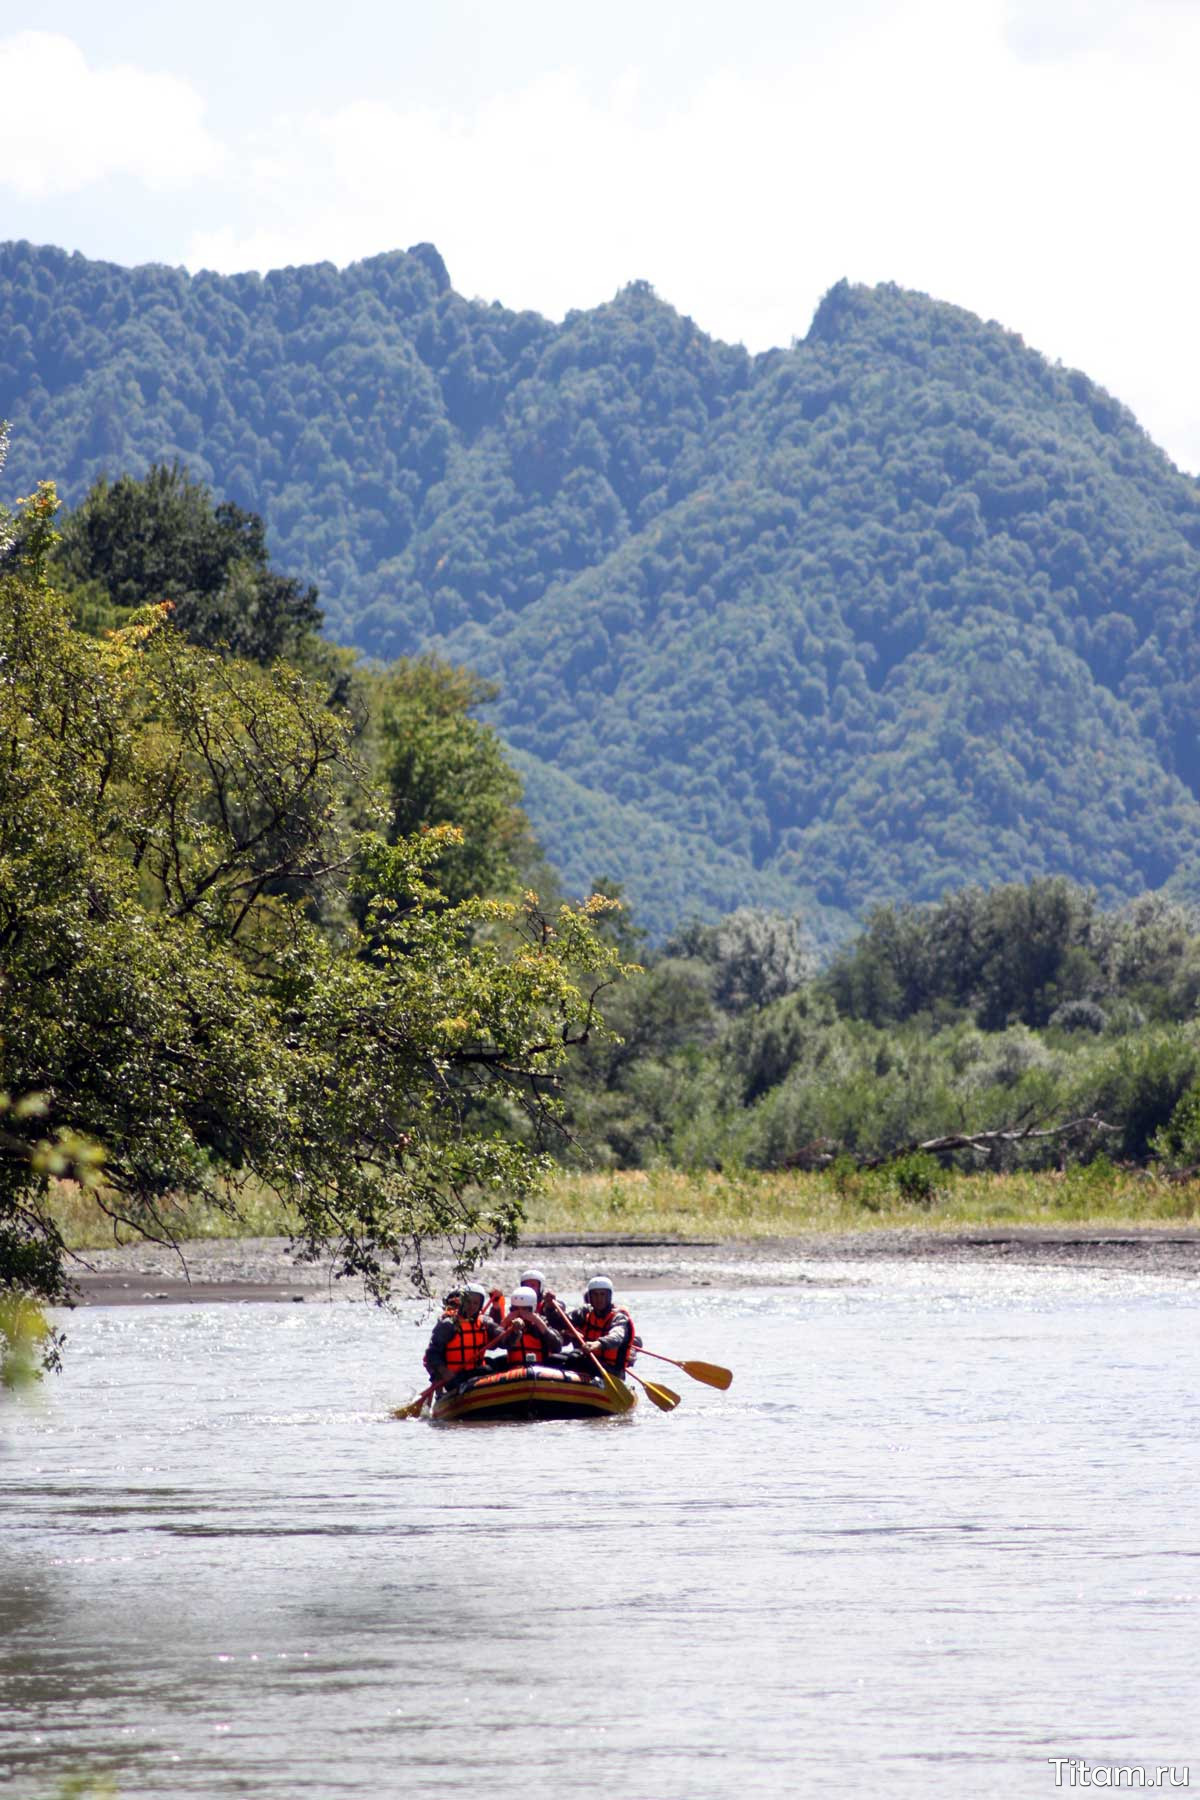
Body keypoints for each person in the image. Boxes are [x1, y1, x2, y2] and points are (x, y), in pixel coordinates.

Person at [423, 1283, 500, 1387]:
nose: (471, 1306)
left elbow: (501, 1341)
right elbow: (431, 1354)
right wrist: (443, 1371)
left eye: (475, 1303)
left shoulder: (484, 1323)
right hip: (454, 1377)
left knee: (491, 1367)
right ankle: (440, 1393)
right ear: (461, 1302)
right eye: (468, 1302)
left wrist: (516, 1331)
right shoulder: (448, 1324)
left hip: (475, 1372)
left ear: (480, 1305)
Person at [558, 1275, 636, 1376]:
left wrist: (598, 1344)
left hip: (612, 1370)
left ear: (609, 1296)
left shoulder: (619, 1317)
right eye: (595, 1295)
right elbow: (562, 1322)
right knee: (554, 1359)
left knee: (575, 1359)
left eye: (602, 1294)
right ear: (590, 1297)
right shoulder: (585, 1313)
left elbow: (617, 1336)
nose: (599, 1299)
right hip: (590, 1361)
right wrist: (550, 1309)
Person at [490, 1287, 563, 1369]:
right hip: (514, 1370)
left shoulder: (542, 1322)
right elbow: (494, 1344)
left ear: (533, 1309)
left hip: (541, 1368)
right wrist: (505, 1322)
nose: (520, 1313)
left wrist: (538, 1322)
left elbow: (557, 1347)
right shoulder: (509, 1324)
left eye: (525, 1309)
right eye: (516, 1309)